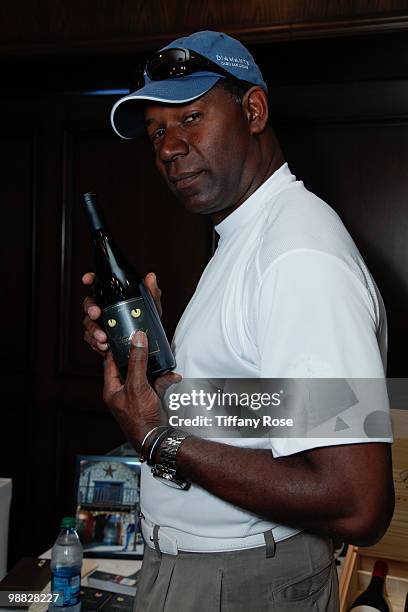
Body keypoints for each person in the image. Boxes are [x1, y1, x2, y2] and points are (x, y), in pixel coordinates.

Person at [82, 30, 394, 611]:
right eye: (156, 132)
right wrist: (156, 372)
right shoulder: (247, 235)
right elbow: (273, 407)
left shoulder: (297, 255)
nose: (169, 147)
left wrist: (157, 440)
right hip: (208, 574)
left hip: (242, 584)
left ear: (253, 110)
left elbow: (357, 501)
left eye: (191, 117)